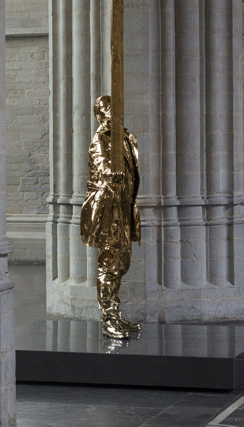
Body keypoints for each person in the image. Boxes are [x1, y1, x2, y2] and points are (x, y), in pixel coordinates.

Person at [80, 95, 141, 339]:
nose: (115, 115)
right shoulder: (100, 139)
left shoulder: (127, 139)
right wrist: (110, 173)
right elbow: (101, 164)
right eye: (108, 111)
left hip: (124, 207)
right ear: (100, 115)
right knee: (108, 264)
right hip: (108, 211)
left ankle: (115, 312)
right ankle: (108, 318)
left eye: (117, 110)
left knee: (122, 262)